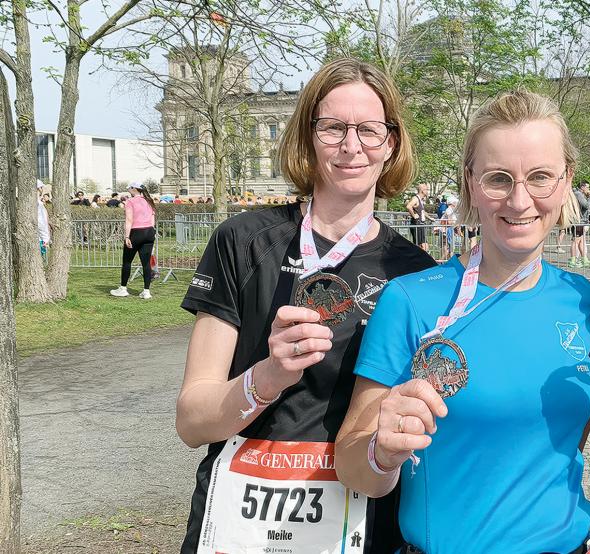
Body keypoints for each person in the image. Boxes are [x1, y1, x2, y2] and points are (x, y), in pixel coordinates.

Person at [174, 58, 434, 554]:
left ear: (392, 144)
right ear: (308, 137)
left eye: (369, 130)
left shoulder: (414, 271)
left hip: (355, 521)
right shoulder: (243, 242)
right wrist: (267, 377)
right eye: (333, 127)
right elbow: (191, 420)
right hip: (239, 522)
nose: (351, 146)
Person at [335, 89, 590, 553]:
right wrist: (382, 451)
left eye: (541, 177)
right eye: (499, 179)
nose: (520, 201)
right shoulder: (412, 300)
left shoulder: (580, 299)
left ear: (566, 181)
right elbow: (352, 464)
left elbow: (567, 438)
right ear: (470, 183)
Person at [110, 183, 156, 299]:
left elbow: (129, 219)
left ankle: (123, 288)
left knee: (127, 261)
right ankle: (146, 291)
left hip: (136, 232)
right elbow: (152, 220)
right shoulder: (149, 201)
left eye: (129, 188)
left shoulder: (130, 201)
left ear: (134, 189)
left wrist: (126, 236)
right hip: (149, 232)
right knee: (146, 263)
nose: (128, 190)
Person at [569, 181, 590, 267]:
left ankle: (584, 259)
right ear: (582, 187)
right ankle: (573, 261)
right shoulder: (578, 194)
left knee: (582, 241)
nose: (588, 189)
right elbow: (586, 205)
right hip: (578, 220)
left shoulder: (581, 194)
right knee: (575, 241)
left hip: (582, 220)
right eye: (587, 187)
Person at [406, 183, 431, 252]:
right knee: (422, 247)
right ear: (422, 190)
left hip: (420, 225)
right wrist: (414, 215)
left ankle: (421, 261)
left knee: (424, 247)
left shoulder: (421, 200)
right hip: (417, 224)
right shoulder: (415, 198)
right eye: (427, 190)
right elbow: (408, 206)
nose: (428, 192)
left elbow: (422, 211)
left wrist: (430, 218)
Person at [37, 181, 50, 259]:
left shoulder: (39, 201)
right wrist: (46, 238)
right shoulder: (38, 202)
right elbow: (40, 219)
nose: (42, 189)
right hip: (41, 229)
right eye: (41, 187)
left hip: (42, 229)